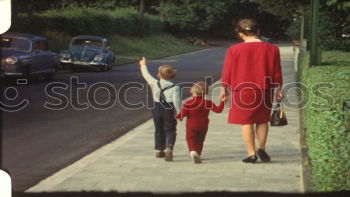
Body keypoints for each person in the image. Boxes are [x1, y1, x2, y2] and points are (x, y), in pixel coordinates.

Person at [219, 19, 284, 163]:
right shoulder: (272, 49)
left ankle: (251, 153)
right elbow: (276, 72)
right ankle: (262, 148)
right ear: (258, 31)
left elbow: (227, 71)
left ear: (240, 33)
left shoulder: (233, 50)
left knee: (246, 122)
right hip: (265, 89)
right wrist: (279, 89)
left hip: (242, 90)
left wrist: (224, 89)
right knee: (262, 120)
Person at [139, 57, 181, 162]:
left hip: (157, 108)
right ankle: (169, 147)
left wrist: (143, 65)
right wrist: (179, 113)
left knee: (158, 129)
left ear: (159, 75)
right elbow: (177, 102)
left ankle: (159, 150)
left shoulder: (154, 82)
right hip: (169, 109)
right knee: (170, 129)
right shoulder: (175, 87)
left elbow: (146, 75)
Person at [176, 81, 225, 163]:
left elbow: (182, 115)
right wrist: (222, 102)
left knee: (190, 138)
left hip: (191, 125)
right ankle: (198, 153)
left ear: (193, 91)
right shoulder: (208, 103)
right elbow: (218, 110)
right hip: (203, 125)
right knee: (200, 140)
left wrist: (177, 117)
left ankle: (193, 151)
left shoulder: (188, 103)